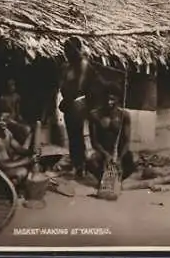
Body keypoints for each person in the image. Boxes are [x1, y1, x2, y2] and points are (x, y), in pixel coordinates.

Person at [58, 37, 95, 178]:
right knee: (73, 136)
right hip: (69, 105)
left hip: (80, 104)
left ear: (78, 50)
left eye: (69, 50)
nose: (66, 53)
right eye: (65, 50)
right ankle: (76, 164)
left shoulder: (84, 65)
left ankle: (83, 165)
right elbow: (63, 86)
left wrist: (72, 100)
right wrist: (66, 100)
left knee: (80, 136)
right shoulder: (66, 67)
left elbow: (83, 88)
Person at [86, 82, 135, 183]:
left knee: (131, 160)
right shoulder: (95, 115)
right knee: (91, 161)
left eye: (112, 99)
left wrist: (120, 158)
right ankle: (102, 178)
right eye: (107, 99)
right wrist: (106, 155)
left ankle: (119, 177)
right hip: (102, 151)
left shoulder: (124, 116)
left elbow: (127, 141)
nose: (109, 102)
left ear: (118, 100)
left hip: (119, 152)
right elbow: (94, 142)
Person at [0, 112, 33, 189]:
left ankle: (15, 187)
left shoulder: (7, 132)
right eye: (0, 120)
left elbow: (19, 149)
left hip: (7, 165)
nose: (3, 123)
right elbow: (4, 165)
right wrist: (25, 161)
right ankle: (10, 190)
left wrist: (33, 153)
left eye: (5, 120)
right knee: (23, 171)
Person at [0, 79, 32, 145]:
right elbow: (2, 112)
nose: (12, 87)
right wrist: (7, 118)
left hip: (15, 119)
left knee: (27, 129)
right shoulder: (2, 98)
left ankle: (23, 146)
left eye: (13, 85)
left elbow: (17, 110)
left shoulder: (17, 96)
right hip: (7, 119)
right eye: (10, 86)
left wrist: (19, 118)